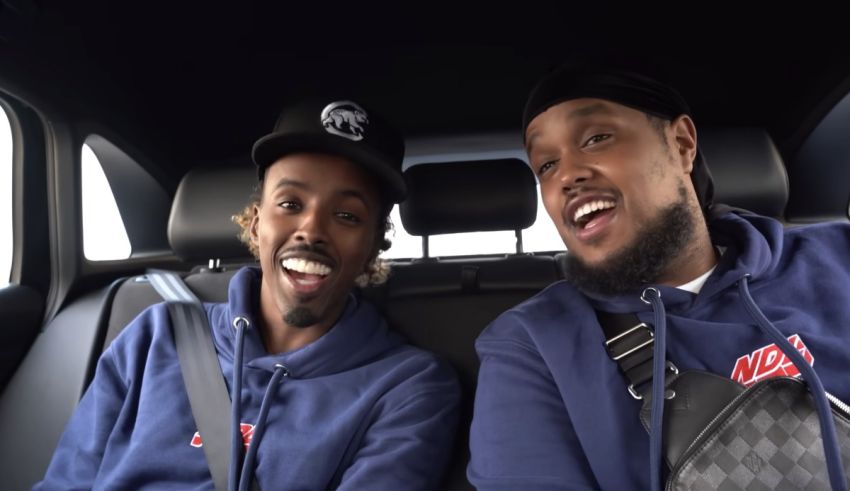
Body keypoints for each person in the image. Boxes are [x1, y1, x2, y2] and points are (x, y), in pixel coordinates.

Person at [36, 99, 461, 490]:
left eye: (347, 215)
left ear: (373, 247)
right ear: (256, 224)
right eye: (291, 204)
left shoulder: (408, 387)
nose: (311, 230)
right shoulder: (155, 335)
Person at [467, 66, 850, 489]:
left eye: (596, 139)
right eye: (546, 165)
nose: (566, 176)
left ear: (682, 144)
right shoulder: (534, 344)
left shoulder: (839, 255)